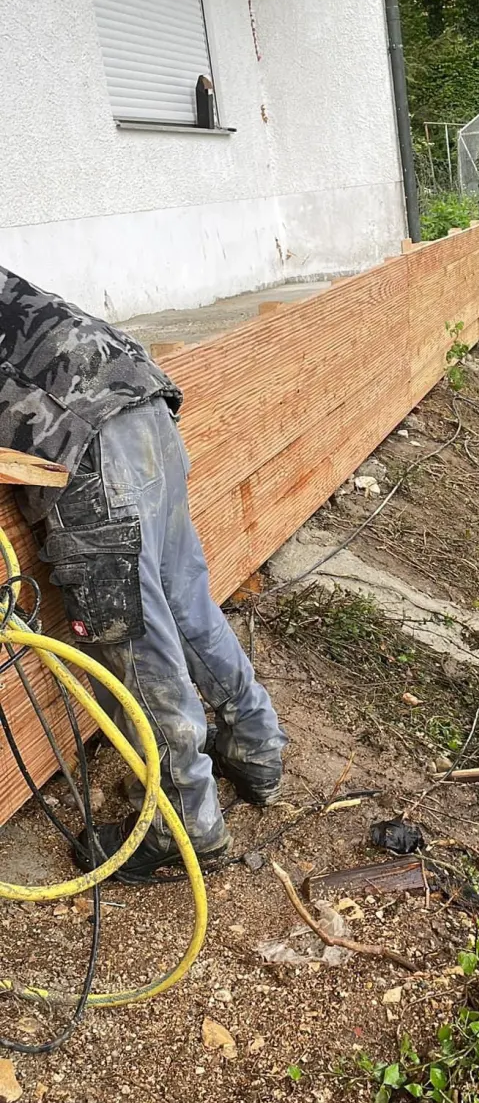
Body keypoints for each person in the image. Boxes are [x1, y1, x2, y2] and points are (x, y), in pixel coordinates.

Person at [0, 265, 287, 880]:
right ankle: (256, 746)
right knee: (187, 605)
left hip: (86, 442)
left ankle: (183, 824)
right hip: (141, 401)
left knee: (136, 646)